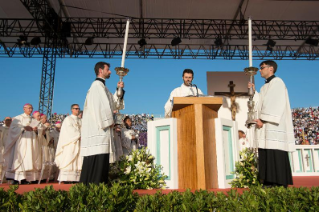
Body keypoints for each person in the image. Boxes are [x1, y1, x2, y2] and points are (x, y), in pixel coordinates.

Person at [249, 60, 295, 188]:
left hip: (273, 125)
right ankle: (268, 180)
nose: (260, 70)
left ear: (271, 69)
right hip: (266, 125)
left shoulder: (278, 82)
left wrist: (263, 119)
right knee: (266, 152)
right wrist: (254, 91)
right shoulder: (265, 86)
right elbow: (261, 102)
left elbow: (274, 103)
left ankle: (278, 182)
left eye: (262, 67)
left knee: (275, 152)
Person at [80, 62, 124, 185]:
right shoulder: (96, 86)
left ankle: (97, 188)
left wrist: (119, 89)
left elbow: (114, 103)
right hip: (99, 129)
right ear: (101, 70)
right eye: (108, 69)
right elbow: (102, 107)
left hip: (102, 130)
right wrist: (110, 122)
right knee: (97, 161)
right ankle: (94, 188)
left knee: (101, 161)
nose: (110, 72)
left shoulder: (103, 88)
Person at [3, 104, 41, 183]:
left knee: (30, 158)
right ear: (24, 109)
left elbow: (40, 130)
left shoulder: (33, 119)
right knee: (22, 158)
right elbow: (13, 129)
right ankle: (18, 178)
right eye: (29, 108)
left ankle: (28, 178)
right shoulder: (18, 118)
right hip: (22, 141)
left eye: (31, 108)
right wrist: (23, 128)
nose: (30, 110)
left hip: (32, 141)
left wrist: (36, 130)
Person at [54, 104, 82, 183]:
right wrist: (79, 135)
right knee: (69, 158)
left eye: (78, 108)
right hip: (70, 143)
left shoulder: (80, 120)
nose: (77, 110)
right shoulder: (68, 119)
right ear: (72, 110)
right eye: (76, 108)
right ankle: (67, 179)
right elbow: (69, 130)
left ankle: (76, 179)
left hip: (79, 142)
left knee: (78, 160)